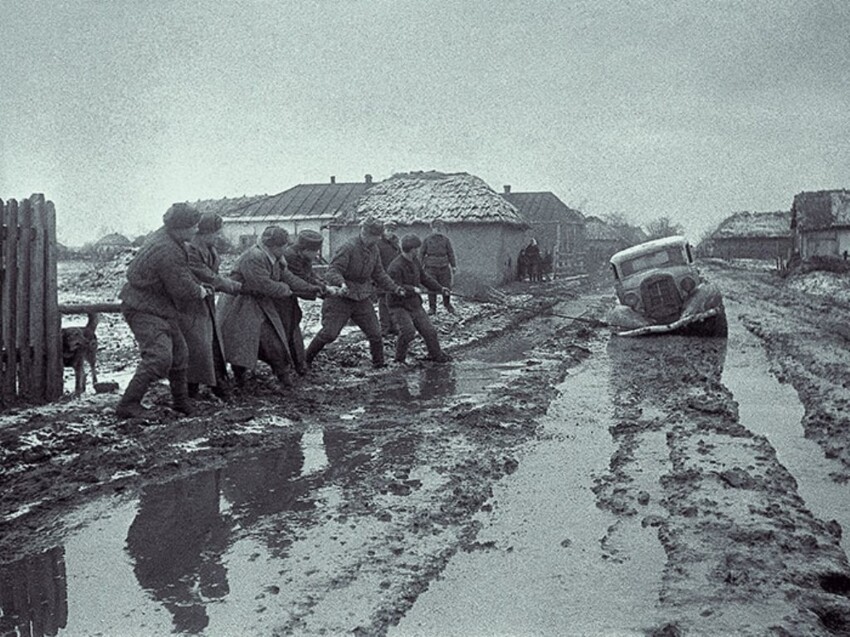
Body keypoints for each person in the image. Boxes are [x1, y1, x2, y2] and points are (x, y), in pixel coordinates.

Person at [115, 203, 209, 418]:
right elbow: (181, 286)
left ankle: (181, 401)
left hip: (158, 306)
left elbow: (178, 276)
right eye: (193, 226)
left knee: (180, 353)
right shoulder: (167, 249)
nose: (197, 230)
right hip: (143, 308)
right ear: (180, 227)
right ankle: (128, 404)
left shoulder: (168, 238)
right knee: (158, 357)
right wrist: (200, 291)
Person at [217, 226, 322, 389]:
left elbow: (288, 277)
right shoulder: (254, 257)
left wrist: (309, 287)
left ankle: (283, 377)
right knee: (242, 343)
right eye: (282, 246)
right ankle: (240, 378)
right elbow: (263, 285)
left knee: (274, 343)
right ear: (272, 246)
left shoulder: (276, 257)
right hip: (240, 305)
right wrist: (286, 289)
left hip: (259, 304)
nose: (285, 249)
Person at [304, 219, 407, 369]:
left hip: (361, 297)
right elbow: (333, 270)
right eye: (375, 236)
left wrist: (395, 288)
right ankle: (305, 360)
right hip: (340, 298)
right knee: (329, 334)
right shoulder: (349, 247)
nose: (378, 239)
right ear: (365, 233)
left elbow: (379, 273)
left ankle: (379, 365)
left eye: (379, 236)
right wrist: (341, 283)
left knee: (375, 333)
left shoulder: (374, 249)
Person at [182, 213, 242, 400]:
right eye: (215, 233)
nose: (218, 236)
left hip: (206, 303)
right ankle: (192, 390)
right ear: (204, 233)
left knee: (210, 345)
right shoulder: (191, 250)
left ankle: (215, 384)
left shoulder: (209, 247)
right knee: (197, 347)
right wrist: (234, 286)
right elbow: (207, 275)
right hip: (191, 305)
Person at [386, 234, 452, 364]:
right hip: (398, 305)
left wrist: (440, 288)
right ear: (410, 249)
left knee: (430, 331)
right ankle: (399, 360)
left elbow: (424, 278)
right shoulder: (395, 266)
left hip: (414, 304)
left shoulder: (415, 261)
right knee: (408, 332)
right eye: (416, 248)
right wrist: (412, 289)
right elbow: (394, 287)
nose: (418, 251)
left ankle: (436, 355)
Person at [280, 229, 335, 375]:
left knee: (293, 325)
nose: (317, 254)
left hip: (289, 296)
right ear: (305, 249)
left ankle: (298, 364)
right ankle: (292, 366)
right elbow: (301, 278)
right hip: (279, 298)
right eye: (315, 251)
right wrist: (323, 288)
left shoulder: (303, 256)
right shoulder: (290, 257)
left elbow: (310, 274)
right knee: (288, 329)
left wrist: (322, 284)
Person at [420, 219, 456, 315]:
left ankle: (447, 304)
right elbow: (421, 254)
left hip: (444, 267)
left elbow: (450, 253)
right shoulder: (427, 240)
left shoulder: (445, 240)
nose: (438, 230)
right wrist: (420, 266)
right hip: (430, 267)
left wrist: (453, 265)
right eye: (436, 228)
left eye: (440, 228)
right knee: (431, 287)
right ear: (432, 229)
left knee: (446, 286)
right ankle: (432, 307)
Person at [376, 221, 401, 336]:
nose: (390, 233)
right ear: (383, 231)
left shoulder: (396, 244)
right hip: (382, 275)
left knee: (393, 301)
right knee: (383, 302)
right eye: (388, 230)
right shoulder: (378, 244)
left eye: (392, 231)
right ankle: (385, 327)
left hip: (394, 276)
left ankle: (394, 326)